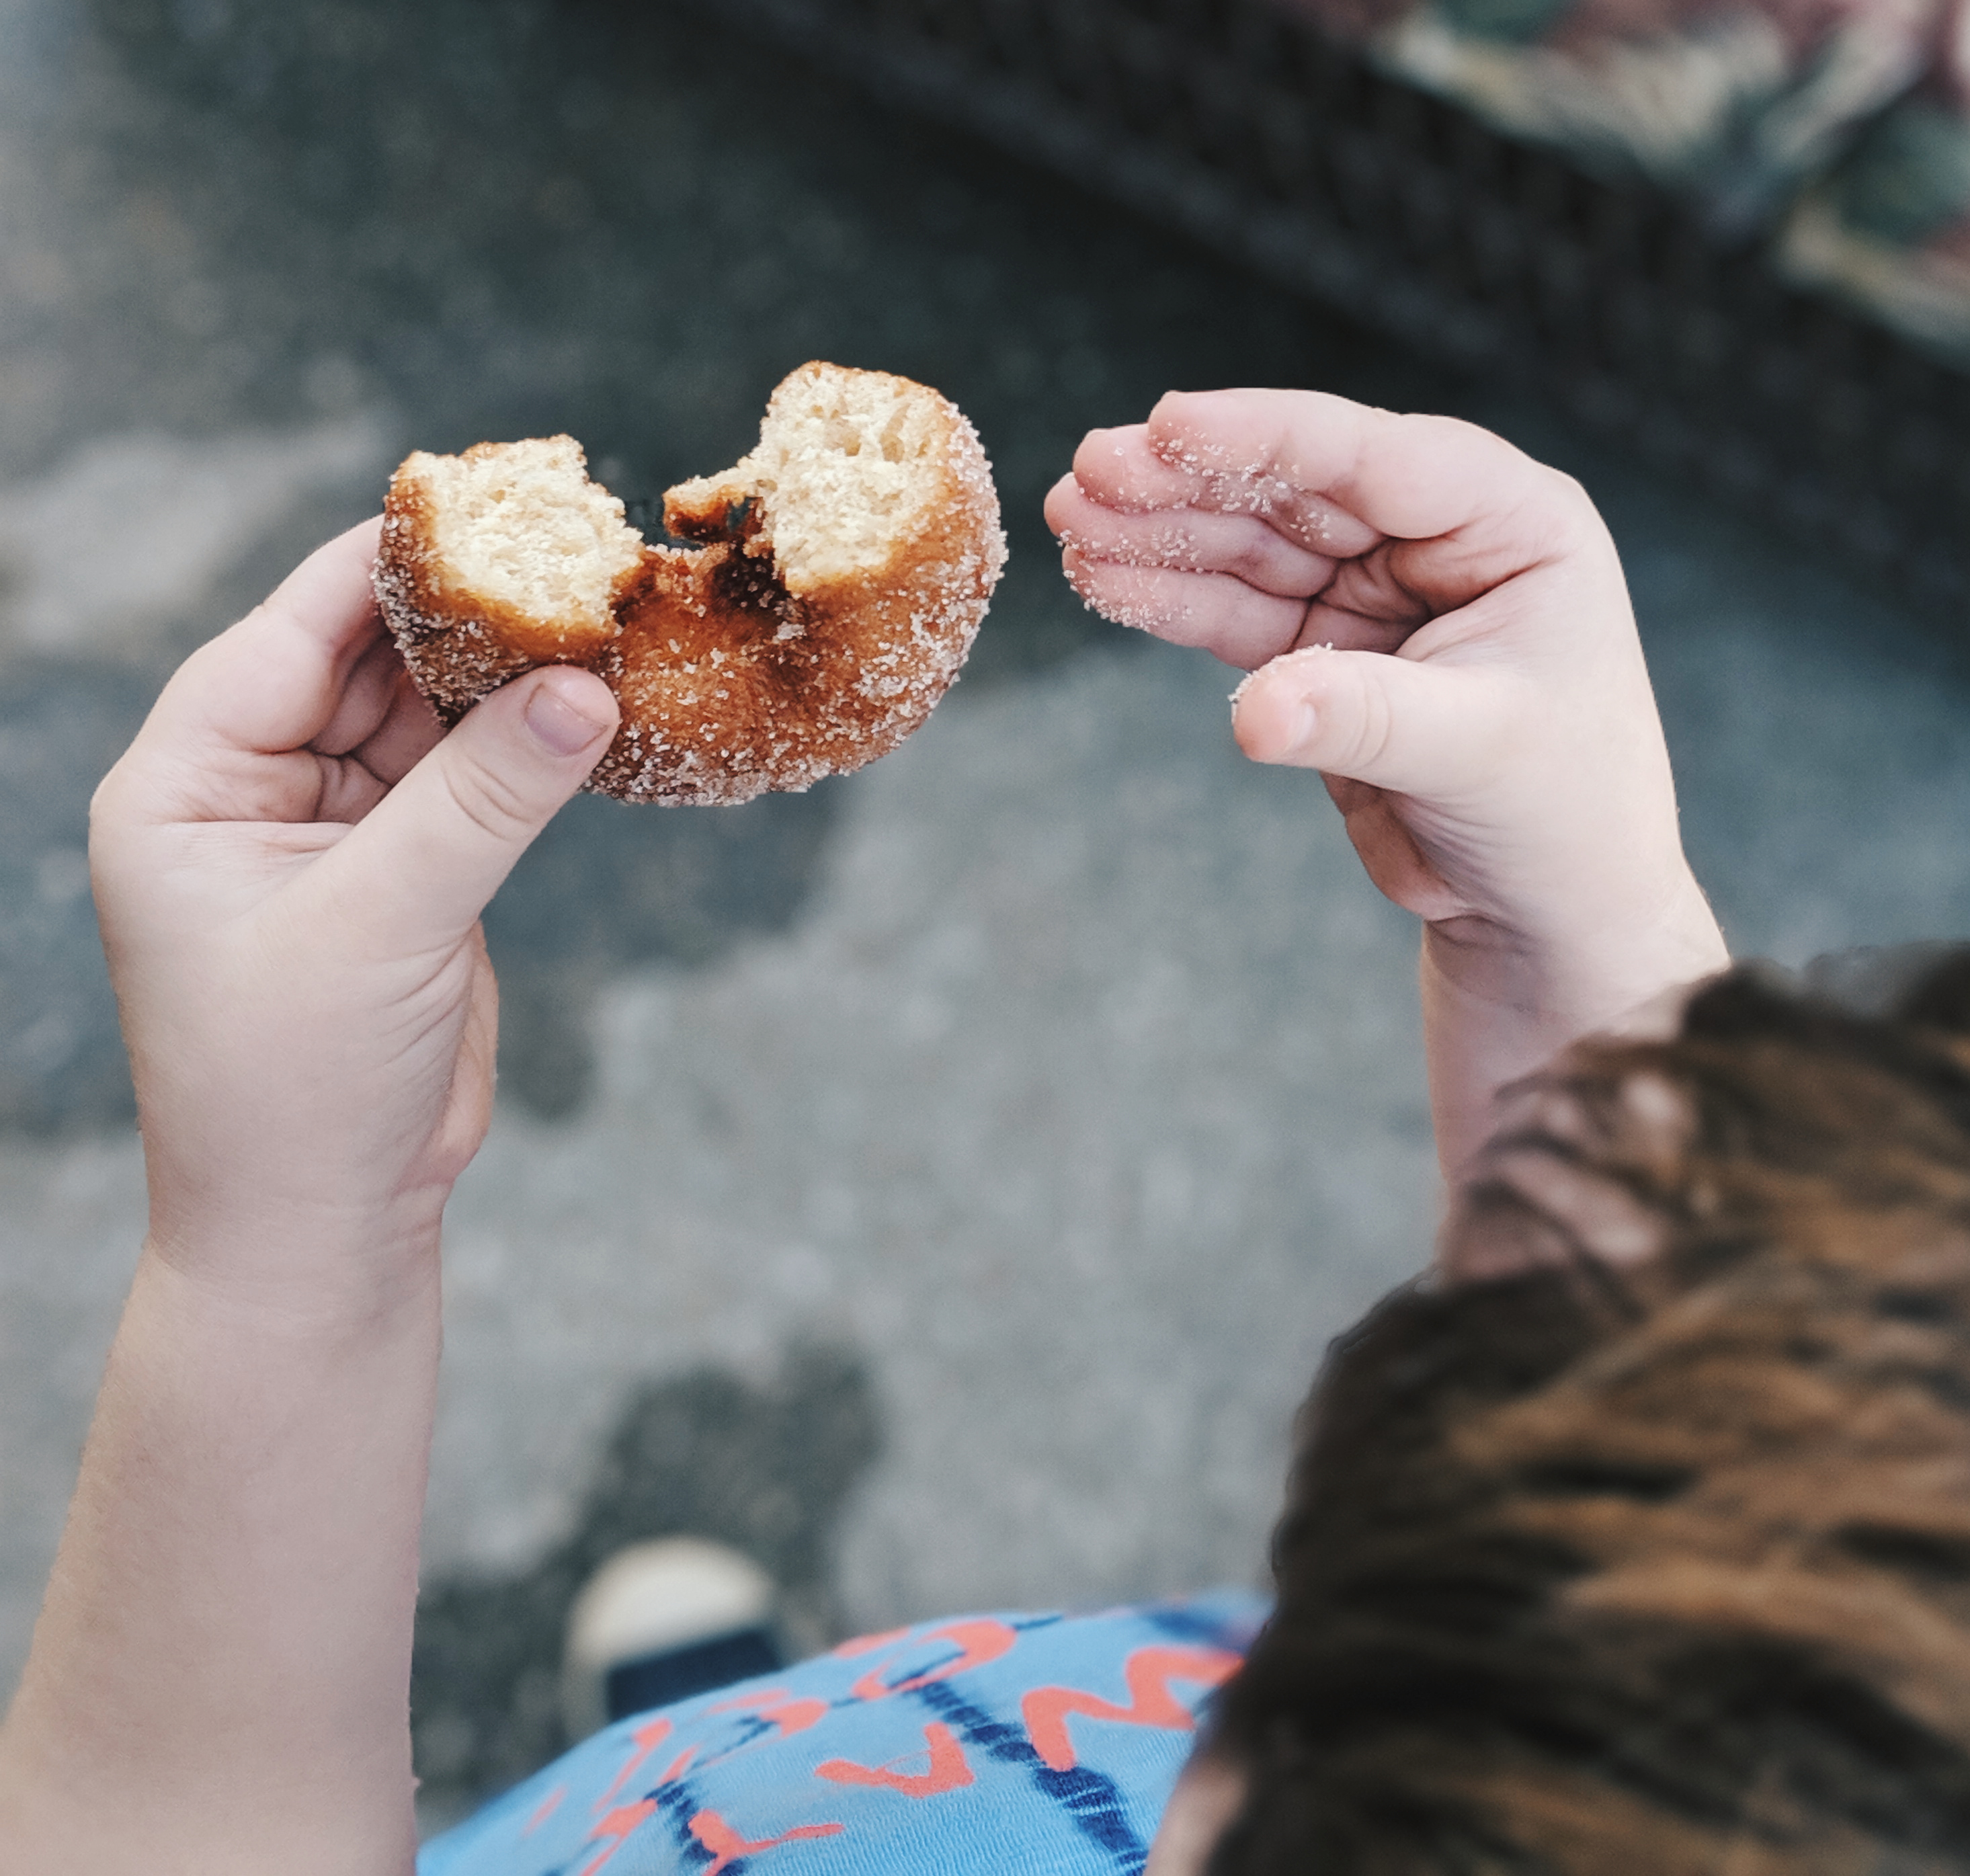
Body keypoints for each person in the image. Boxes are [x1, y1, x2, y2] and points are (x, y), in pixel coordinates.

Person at [0, 389, 1746, 1873]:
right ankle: (742, 1746)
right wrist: (1578, 947)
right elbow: (1690, 1545)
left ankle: (709, 1780)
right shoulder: (1687, 1756)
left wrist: (284, 1240)